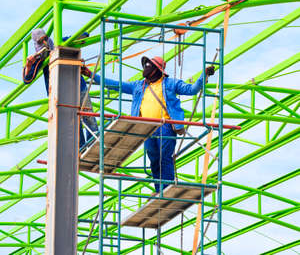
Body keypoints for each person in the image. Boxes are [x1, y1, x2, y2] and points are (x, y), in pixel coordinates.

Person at [83, 55, 215, 193]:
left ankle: (166, 188)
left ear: (157, 69)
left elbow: (192, 90)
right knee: (154, 159)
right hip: (145, 128)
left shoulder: (170, 83)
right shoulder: (138, 86)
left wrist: (203, 75)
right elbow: (115, 84)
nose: (146, 68)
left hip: (165, 126)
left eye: (149, 65)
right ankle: (159, 190)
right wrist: (91, 75)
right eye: (146, 65)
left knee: (164, 157)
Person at [23, 28, 98, 148]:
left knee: (88, 115)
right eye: (41, 41)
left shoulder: (60, 43)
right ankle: (82, 147)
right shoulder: (40, 59)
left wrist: (74, 40)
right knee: (74, 121)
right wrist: (29, 64)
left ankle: (94, 143)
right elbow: (27, 78)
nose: (44, 43)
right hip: (61, 92)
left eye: (45, 39)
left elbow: (84, 36)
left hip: (78, 85)